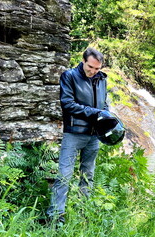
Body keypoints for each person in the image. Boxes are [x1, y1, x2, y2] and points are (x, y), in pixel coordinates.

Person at [47, 47, 109, 223]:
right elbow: (67, 104)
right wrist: (96, 112)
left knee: (87, 175)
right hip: (74, 133)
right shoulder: (69, 76)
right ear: (83, 61)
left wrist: (106, 116)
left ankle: (84, 213)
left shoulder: (102, 79)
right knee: (64, 175)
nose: (93, 71)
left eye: (97, 69)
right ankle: (55, 218)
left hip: (94, 135)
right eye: (91, 67)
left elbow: (105, 105)